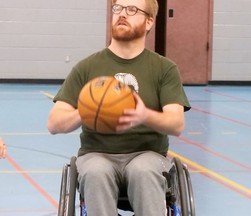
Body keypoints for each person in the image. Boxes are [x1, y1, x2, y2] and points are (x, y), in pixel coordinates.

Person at [47, 0, 191, 215]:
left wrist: (144, 115)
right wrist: (85, 110)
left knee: (142, 170)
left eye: (132, 9)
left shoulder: (164, 68)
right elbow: (54, 123)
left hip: (148, 154)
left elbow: (176, 123)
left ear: (149, 21)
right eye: (118, 8)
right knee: (96, 171)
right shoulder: (87, 67)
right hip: (97, 154)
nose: (122, 14)